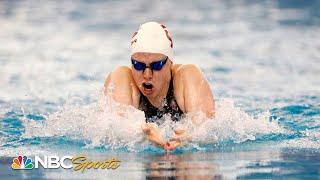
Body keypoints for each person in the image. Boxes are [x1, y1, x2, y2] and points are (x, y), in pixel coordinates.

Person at [104, 21, 215, 150]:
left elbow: (207, 128)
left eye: (156, 65)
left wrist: (189, 137)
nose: (147, 74)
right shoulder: (122, 78)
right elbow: (114, 131)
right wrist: (140, 134)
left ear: (170, 62)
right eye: (138, 65)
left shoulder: (187, 76)